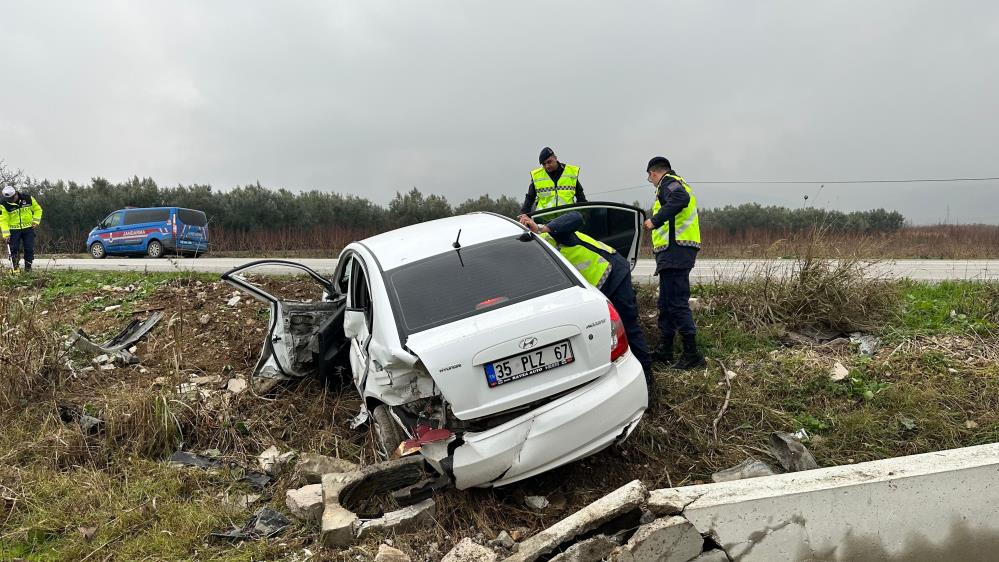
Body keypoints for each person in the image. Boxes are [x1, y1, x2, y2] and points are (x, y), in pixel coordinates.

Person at [519, 211, 656, 401]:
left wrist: (542, 228)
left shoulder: (552, 235)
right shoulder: (535, 264)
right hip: (594, 291)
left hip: (613, 273)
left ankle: (648, 380)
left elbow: (576, 217)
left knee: (629, 326)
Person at [642, 157, 705, 369]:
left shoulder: (670, 183)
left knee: (677, 302)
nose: (650, 181)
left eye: (649, 176)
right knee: (666, 303)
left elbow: (680, 198)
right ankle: (665, 349)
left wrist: (654, 220)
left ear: (653, 173)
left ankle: (692, 355)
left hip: (676, 249)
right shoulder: (673, 183)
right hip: (671, 252)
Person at [519, 147, 586, 215]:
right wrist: (524, 216)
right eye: (544, 164)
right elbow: (529, 199)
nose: (547, 166)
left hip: (567, 220)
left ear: (555, 158)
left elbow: (581, 199)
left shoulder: (570, 173)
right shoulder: (537, 176)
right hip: (543, 220)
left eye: (549, 162)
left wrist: (584, 215)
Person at [1, 186, 43, 272]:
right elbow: (3, 219)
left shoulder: (28, 198)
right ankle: (15, 268)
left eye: (12, 198)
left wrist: (36, 221)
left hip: (28, 228)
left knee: (29, 248)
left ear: (16, 193)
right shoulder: (3, 204)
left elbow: (38, 210)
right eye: (9, 199)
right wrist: (6, 234)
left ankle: (28, 268)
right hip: (13, 230)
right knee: (14, 249)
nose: (11, 200)